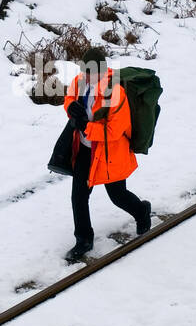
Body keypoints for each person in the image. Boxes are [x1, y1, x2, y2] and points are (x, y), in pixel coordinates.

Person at [62, 47, 152, 261]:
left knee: (117, 196)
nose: (87, 77)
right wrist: (70, 109)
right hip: (85, 149)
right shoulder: (79, 82)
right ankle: (83, 239)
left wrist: (85, 126)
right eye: (85, 72)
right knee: (79, 196)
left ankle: (141, 211)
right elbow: (69, 98)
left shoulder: (115, 91)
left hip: (110, 152)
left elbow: (114, 130)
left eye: (91, 73)